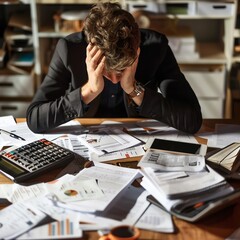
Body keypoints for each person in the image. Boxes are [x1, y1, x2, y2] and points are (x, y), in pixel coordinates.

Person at [26, 2, 202, 134]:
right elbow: (35, 119)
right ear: (91, 53)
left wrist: (134, 90)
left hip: (138, 140)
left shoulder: (156, 47)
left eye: (122, 71)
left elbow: (192, 120)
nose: (116, 80)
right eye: (106, 72)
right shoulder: (69, 49)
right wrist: (89, 90)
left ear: (137, 49)